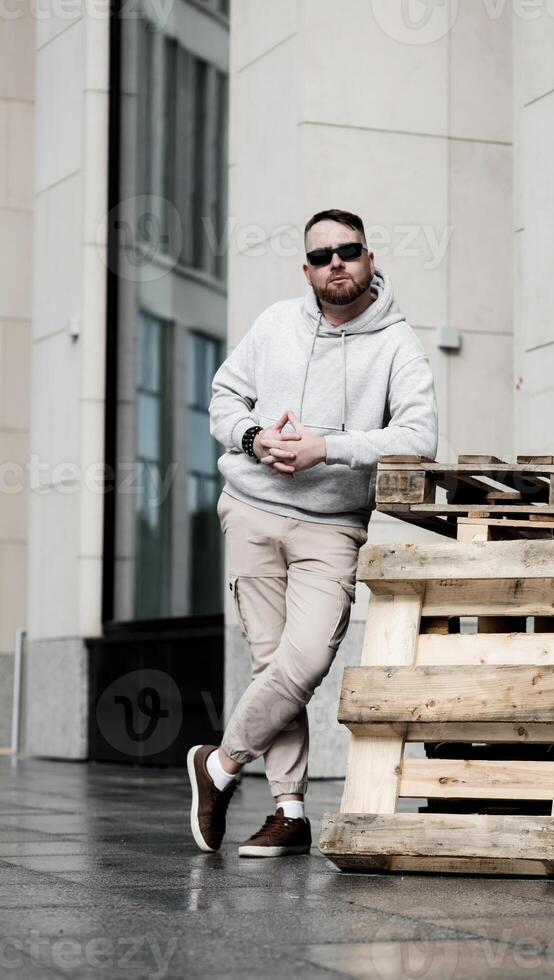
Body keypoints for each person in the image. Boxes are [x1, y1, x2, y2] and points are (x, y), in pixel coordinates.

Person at [187, 208, 438, 858]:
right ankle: (290, 812)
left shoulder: (397, 345)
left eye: (348, 251)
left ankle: (217, 766)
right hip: (251, 508)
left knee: (304, 663)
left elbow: (418, 437)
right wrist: (255, 436)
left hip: (331, 526)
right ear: (307, 268)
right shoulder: (275, 323)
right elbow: (222, 397)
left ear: (369, 259)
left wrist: (327, 446)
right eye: (322, 255)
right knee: (272, 665)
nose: (336, 263)